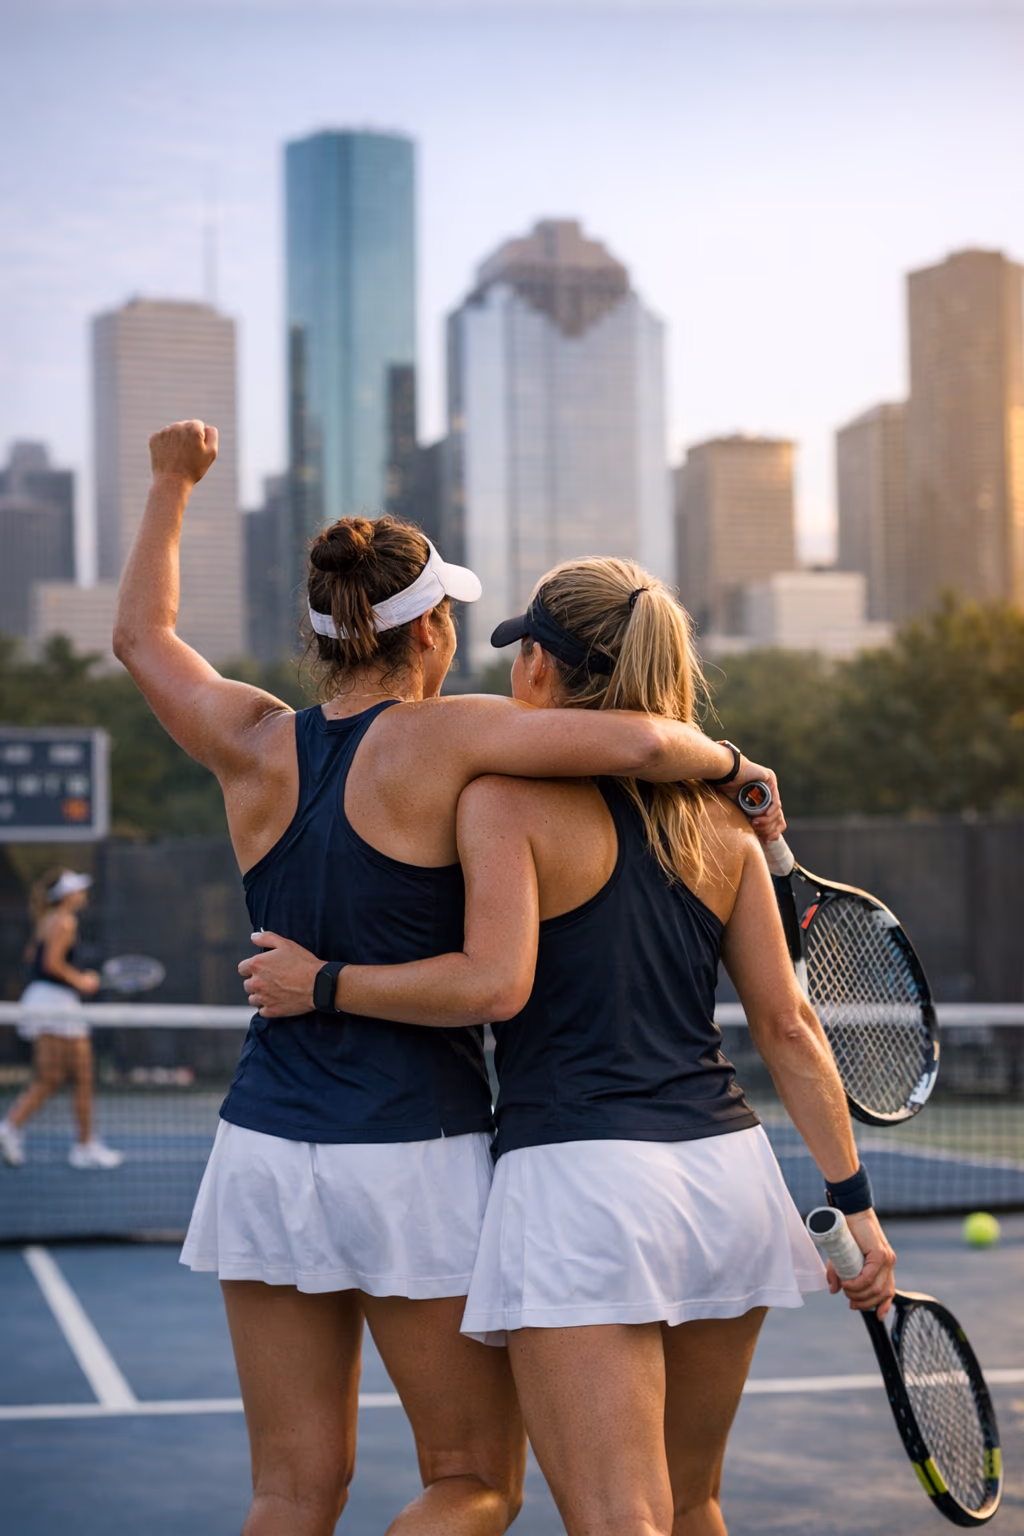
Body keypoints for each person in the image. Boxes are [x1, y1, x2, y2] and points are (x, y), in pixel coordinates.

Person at [113, 419, 784, 1536]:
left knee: (288, 1491)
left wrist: (171, 484)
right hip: (412, 1152)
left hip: (264, 1148)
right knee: (474, 1481)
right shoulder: (453, 740)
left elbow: (142, 637)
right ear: (426, 631)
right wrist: (732, 766)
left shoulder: (250, 742)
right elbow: (639, 745)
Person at [241, 557, 898, 1536]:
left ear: (541, 670)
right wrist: (855, 1210)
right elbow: (789, 1030)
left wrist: (322, 982)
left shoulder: (501, 802)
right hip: (725, 1179)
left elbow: (484, 975)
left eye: (520, 655)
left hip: (582, 1185)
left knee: (618, 1520)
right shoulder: (723, 823)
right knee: (692, 1506)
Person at [0, 868, 124, 1170]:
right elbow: (50, 963)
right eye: (78, 889)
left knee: (58, 1077)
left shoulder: (47, 920)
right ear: (67, 895)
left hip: (48, 1001)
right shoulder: (65, 921)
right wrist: (81, 981)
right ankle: (77, 1144)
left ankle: (20, 1129)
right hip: (55, 1004)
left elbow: (33, 959)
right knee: (73, 1076)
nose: (82, 894)